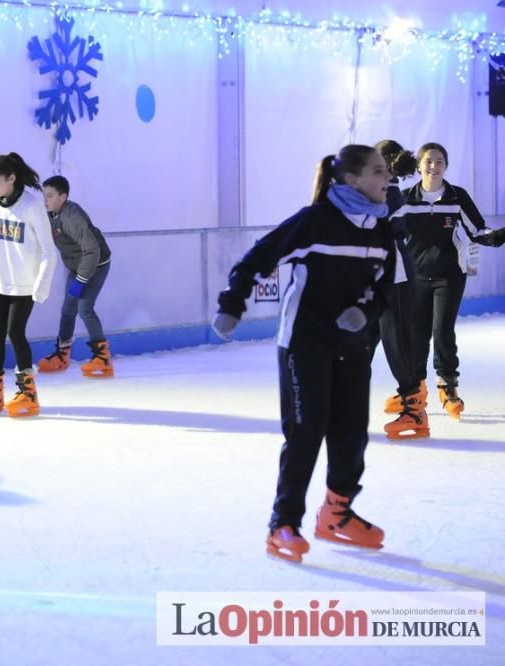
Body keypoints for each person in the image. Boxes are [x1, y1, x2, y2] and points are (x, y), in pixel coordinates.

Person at [212, 145, 396, 563]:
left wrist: (364, 312)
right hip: (304, 343)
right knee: (306, 430)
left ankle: (336, 513)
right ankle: (283, 524)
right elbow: (259, 257)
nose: (387, 178)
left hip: (352, 345)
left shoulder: (381, 228)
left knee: (351, 433)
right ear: (352, 180)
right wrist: (232, 303)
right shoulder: (316, 221)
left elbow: (385, 289)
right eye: (378, 172)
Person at [395, 142, 505, 420]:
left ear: (446, 165)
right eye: (428, 161)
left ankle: (448, 385)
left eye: (440, 161)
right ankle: (415, 390)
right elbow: (390, 232)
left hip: (449, 275)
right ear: (419, 165)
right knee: (416, 334)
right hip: (415, 277)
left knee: (443, 331)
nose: (434, 166)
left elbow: (477, 230)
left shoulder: (457, 197)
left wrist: (497, 235)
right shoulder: (406, 199)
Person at [0, 152, 57, 417]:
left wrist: (41, 285)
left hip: (24, 284)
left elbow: (49, 250)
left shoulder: (31, 206)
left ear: (12, 179)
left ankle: (28, 392)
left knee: (15, 332)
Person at [370, 140, 429, 440]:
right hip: (376, 278)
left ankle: (415, 409)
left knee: (397, 343)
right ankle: (345, 403)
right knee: (360, 343)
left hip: (395, 277)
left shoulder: (387, 191)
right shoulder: (381, 188)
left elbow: (388, 230)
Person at [36, 175, 115, 378]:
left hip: (96, 265)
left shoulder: (72, 217)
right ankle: (62, 354)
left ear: (63, 197)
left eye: (50, 196)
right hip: (76, 266)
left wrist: (80, 281)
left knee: (84, 308)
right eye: (44, 195)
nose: (45, 200)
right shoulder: (51, 214)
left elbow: (92, 250)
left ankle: (103, 359)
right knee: (67, 309)